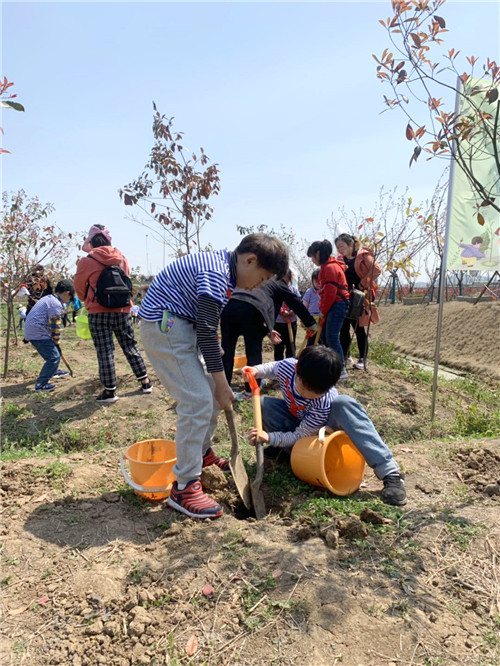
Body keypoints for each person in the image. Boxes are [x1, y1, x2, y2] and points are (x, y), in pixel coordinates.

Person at [139, 233, 289, 519]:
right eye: (262, 277)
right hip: (166, 328)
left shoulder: (221, 268)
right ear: (250, 260)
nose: (259, 285)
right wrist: (223, 385)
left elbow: (207, 326)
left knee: (207, 395)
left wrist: (216, 381)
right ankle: (184, 486)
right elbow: (207, 333)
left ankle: (202, 453)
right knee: (197, 401)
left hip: (181, 327)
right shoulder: (216, 274)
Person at [246, 345, 407, 506]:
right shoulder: (289, 367)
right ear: (297, 369)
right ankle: (289, 453)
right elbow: (272, 368)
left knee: (344, 403)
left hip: (325, 435)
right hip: (302, 428)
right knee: (264, 405)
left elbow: (301, 436)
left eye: (316, 393)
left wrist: (271, 438)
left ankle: (390, 473)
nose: (308, 395)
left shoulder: (324, 401)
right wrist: (255, 370)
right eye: (304, 388)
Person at [73, 224, 152, 404]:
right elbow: (126, 280)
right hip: (123, 309)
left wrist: (87, 299)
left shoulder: (86, 261)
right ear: (108, 240)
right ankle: (145, 382)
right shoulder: (122, 258)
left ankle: (110, 391)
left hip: (98, 312)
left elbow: (79, 286)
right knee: (130, 345)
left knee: (105, 350)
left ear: (91, 242)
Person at [221, 274, 316, 399]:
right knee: (253, 352)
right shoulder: (278, 281)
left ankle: (224, 389)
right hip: (250, 314)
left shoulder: (256, 277)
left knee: (226, 353)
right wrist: (311, 323)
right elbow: (294, 302)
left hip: (229, 312)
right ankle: (251, 390)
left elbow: (249, 305)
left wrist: (267, 330)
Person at [335, 233, 381, 370]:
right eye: (337, 247)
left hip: (359, 297)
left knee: (358, 327)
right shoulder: (341, 260)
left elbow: (376, 270)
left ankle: (363, 358)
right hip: (344, 296)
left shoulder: (362, 256)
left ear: (351, 245)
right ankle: (346, 355)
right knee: (343, 328)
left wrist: (362, 283)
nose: (340, 249)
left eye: (342, 246)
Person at [307, 240, 350, 379]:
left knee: (331, 336)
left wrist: (323, 310)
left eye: (313, 257)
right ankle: (330, 365)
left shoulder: (330, 268)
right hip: (332, 305)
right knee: (325, 337)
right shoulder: (326, 267)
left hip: (337, 304)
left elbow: (330, 293)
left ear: (319, 254)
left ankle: (341, 369)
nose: (313, 260)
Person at [24, 280, 75, 392]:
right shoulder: (55, 304)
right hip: (37, 333)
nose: (69, 301)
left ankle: (53, 371)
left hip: (33, 331)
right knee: (53, 357)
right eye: (70, 298)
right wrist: (56, 340)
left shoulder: (48, 299)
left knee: (51, 355)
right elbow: (55, 325)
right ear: (67, 293)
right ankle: (41, 384)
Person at [302, 268, 321, 347]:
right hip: (312, 318)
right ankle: (309, 353)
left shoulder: (326, 290)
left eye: (320, 281)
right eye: (316, 281)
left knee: (321, 338)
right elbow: (304, 305)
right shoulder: (309, 291)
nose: (318, 283)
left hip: (322, 318)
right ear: (312, 281)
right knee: (311, 338)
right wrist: (304, 318)